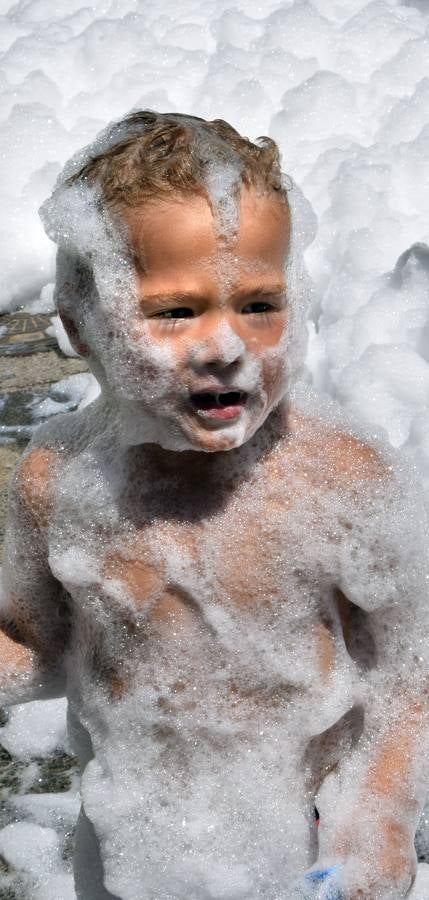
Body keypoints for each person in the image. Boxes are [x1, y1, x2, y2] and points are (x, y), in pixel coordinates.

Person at [0, 110, 428, 900]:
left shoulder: (339, 477)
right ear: (81, 330)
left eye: (260, 305)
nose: (226, 345)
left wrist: (377, 818)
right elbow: (38, 645)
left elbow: (411, 671)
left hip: (303, 851)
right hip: (129, 844)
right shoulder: (58, 474)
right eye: (175, 310)